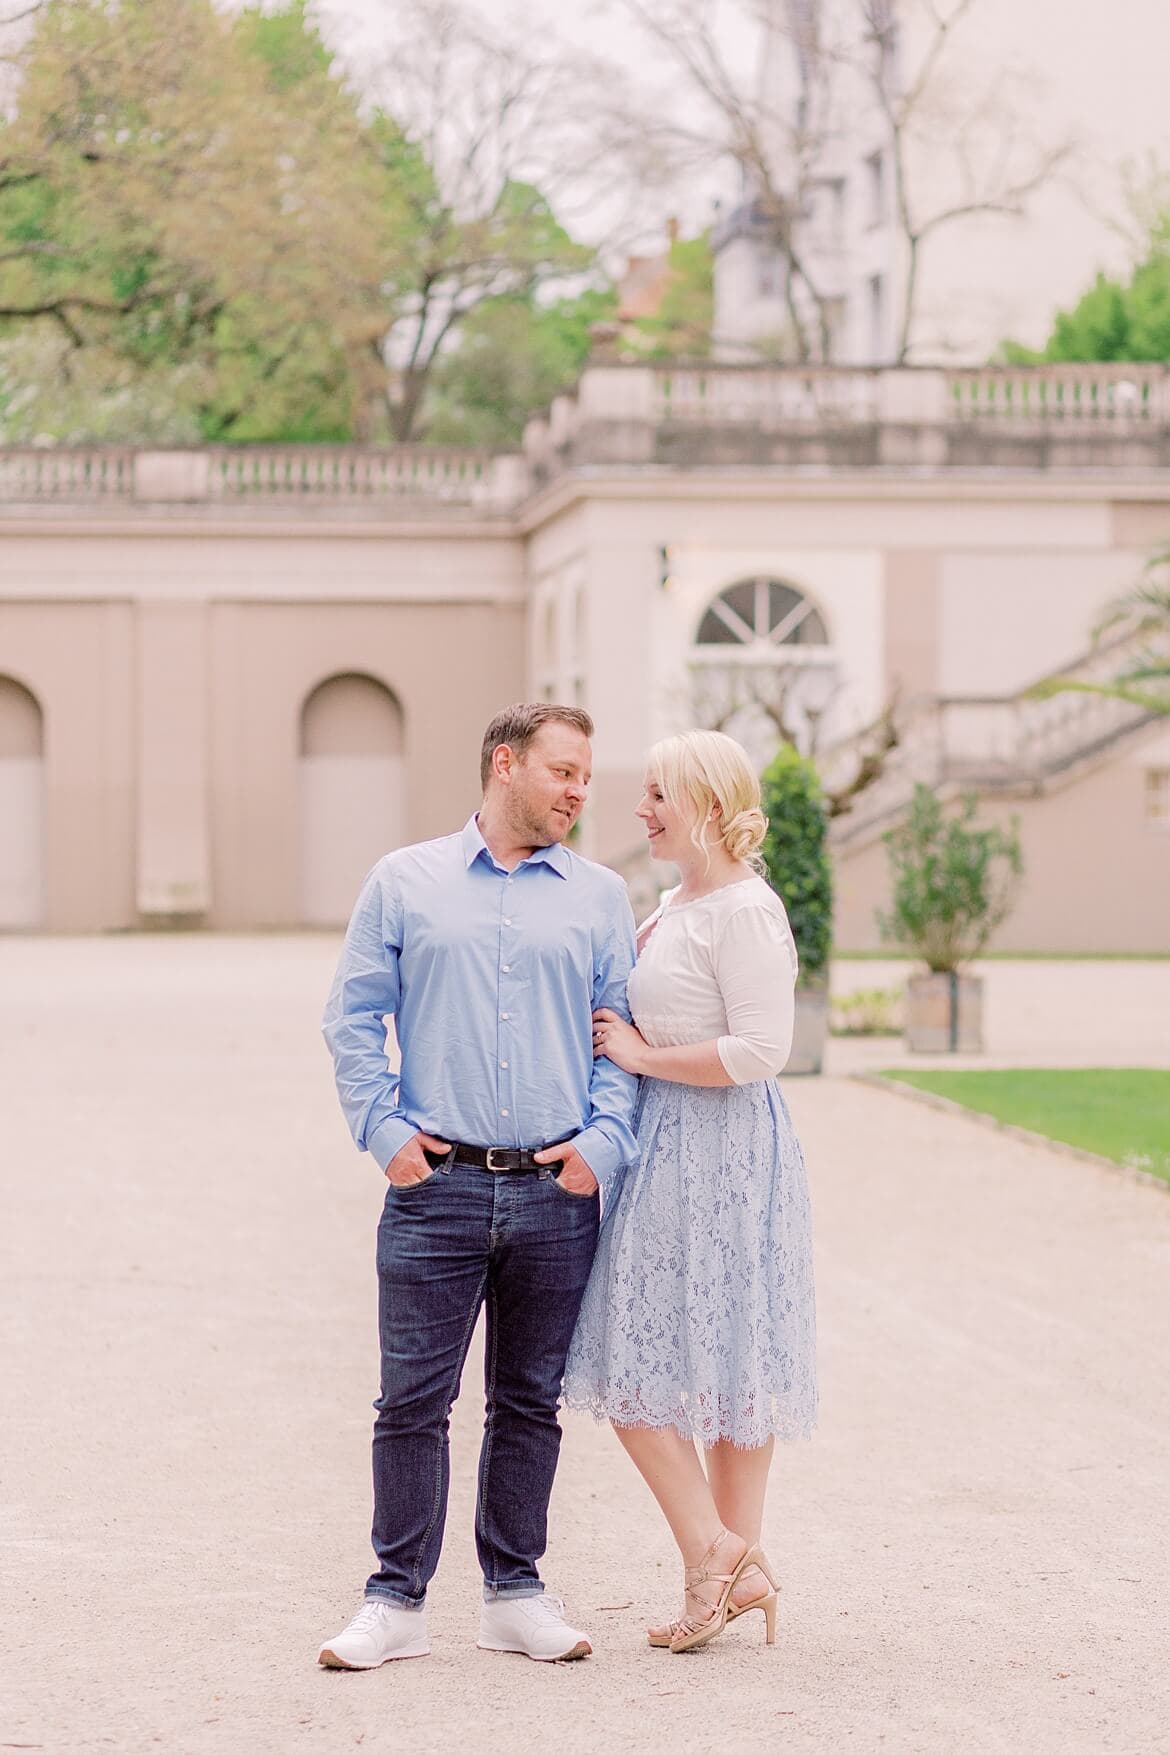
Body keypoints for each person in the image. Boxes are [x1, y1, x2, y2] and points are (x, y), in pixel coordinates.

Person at [318, 703, 639, 1669]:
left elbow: (619, 1035)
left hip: (554, 1186)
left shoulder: (600, 896)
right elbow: (352, 1018)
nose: (581, 791)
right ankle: (395, 1601)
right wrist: (386, 1134)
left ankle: (516, 1591)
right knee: (410, 1400)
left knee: (528, 1399)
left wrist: (602, 1143)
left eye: (587, 775)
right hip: (435, 1184)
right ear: (507, 764)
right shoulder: (404, 881)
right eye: (565, 772)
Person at [562, 728, 817, 1654]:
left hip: (726, 1148)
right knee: (685, 1359)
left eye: (658, 793)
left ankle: (714, 1558)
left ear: (705, 803)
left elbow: (761, 1051)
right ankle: (727, 1568)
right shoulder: (675, 900)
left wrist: (637, 1053)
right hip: (669, 1141)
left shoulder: (745, 910)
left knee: (672, 1363)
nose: (640, 809)